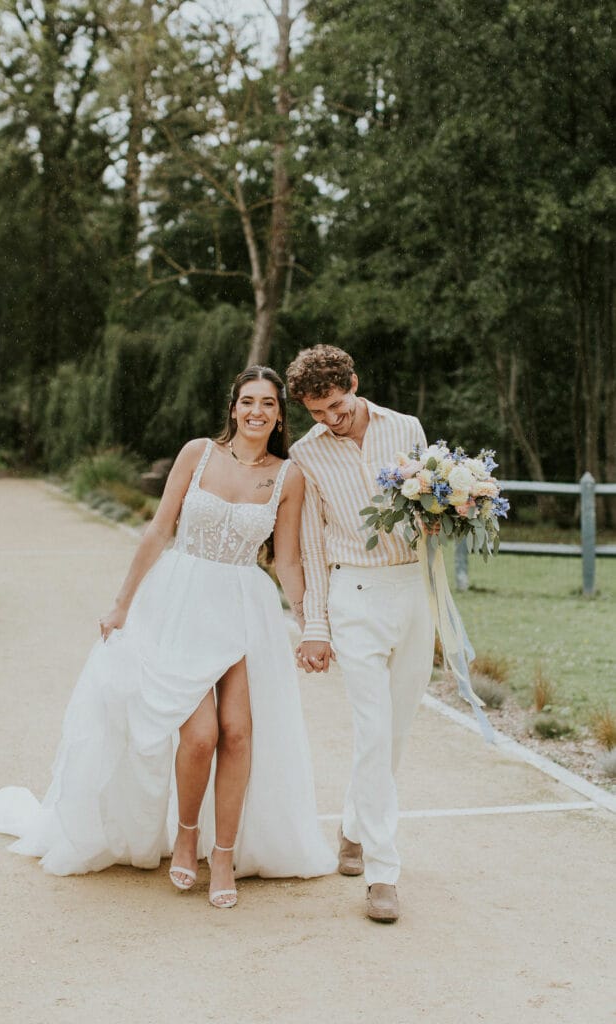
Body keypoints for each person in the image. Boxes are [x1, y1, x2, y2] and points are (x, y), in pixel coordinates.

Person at [0, 366, 335, 908]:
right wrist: (122, 603)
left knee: (238, 733)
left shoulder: (287, 477)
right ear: (233, 407)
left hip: (245, 608)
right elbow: (159, 529)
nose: (257, 412)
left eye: (268, 404)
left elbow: (287, 560)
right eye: (248, 401)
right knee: (199, 737)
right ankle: (186, 835)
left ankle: (223, 854)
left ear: (279, 414)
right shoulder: (197, 453)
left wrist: (314, 624)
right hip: (180, 601)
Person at [286, 345, 434, 923]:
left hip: (412, 592)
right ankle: (382, 871)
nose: (329, 420)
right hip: (353, 598)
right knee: (372, 730)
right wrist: (315, 627)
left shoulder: (407, 427)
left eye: (336, 406)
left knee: (394, 732)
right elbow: (314, 549)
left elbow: (429, 507)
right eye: (317, 412)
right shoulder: (306, 454)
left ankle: (352, 826)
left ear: (354, 383)